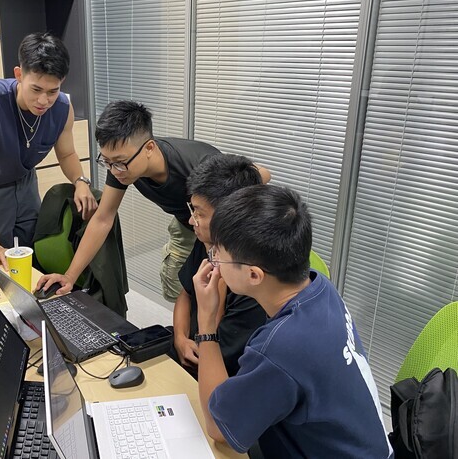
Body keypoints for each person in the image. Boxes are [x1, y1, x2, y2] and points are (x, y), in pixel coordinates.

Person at [193, 184, 392, 458]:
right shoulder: (320, 286)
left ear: (254, 275)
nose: (213, 261)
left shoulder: (281, 349)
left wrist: (206, 325)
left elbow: (218, 429)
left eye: (218, 254)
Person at [36, 100, 271, 302]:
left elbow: (261, 173)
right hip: (186, 222)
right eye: (106, 161)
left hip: (218, 228)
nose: (114, 170)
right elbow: (103, 218)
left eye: (118, 162)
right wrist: (69, 277)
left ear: (149, 147)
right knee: (175, 283)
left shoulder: (195, 164)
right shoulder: (122, 164)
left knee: (218, 290)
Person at [0, 32, 97, 270]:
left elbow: (66, 154)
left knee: (32, 247)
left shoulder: (63, 107)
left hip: (25, 182)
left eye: (52, 91)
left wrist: (81, 181)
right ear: (19, 75)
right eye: (36, 89)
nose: (44, 100)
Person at [171, 154, 267, 378]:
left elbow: (219, 359)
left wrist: (219, 289)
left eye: (200, 214)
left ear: (230, 219)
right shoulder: (207, 240)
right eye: (192, 209)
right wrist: (180, 338)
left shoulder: (251, 282)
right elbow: (185, 293)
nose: (191, 220)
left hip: (224, 370)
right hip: (195, 347)